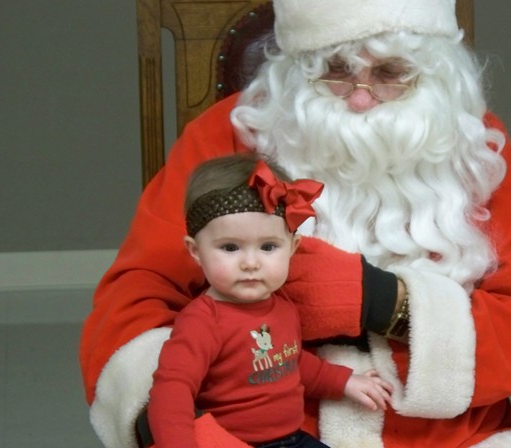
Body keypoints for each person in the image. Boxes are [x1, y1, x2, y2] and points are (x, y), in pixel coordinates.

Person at [80, 0, 511, 447]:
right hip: (262, 429)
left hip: (446, 437)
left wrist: (386, 302)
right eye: (336, 70)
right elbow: (137, 295)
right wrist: (171, 424)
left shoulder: (477, 150)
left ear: (434, 73)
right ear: (300, 68)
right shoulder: (229, 134)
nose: (361, 100)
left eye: (391, 73)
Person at [146, 154, 393, 448]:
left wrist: (344, 381)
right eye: (230, 247)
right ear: (196, 251)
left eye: (267, 247)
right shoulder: (203, 321)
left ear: (292, 247)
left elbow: (293, 362)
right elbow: (172, 391)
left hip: (293, 439)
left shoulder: (282, 305)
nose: (250, 263)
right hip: (235, 441)